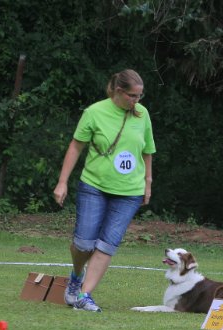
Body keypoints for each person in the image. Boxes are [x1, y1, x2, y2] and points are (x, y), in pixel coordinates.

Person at [53, 69, 156, 312]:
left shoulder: (142, 114)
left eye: (140, 96)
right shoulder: (94, 112)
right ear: (119, 91)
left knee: (107, 244)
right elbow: (76, 147)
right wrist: (62, 182)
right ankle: (76, 275)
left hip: (129, 192)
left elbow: (147, 151)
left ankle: (84, 296)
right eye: (132, 96)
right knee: (83, 244)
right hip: (94, 186)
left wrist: (148, 182)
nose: (137, 101)